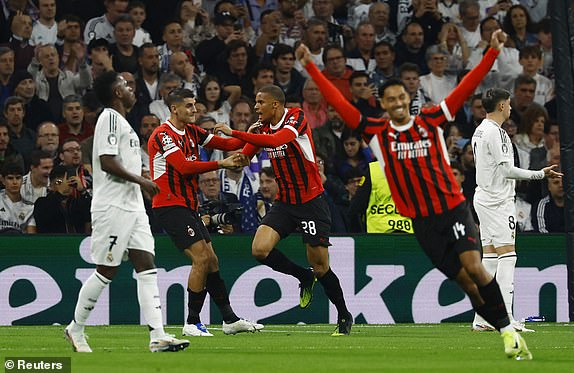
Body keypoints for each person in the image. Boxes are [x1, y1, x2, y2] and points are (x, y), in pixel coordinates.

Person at [297, 30, 533, 359]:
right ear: (383, 104)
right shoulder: (376, 132)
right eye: (390, 99)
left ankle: (507, 332)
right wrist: (311, 66)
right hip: (422, 223)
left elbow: (464, 90)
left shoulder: (432, 121)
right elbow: (339, 102)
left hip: (452, 211)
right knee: (465, 282)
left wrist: (492, 53)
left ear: (409, 99)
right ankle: (493, 322)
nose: (397, 103)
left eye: (401, 98)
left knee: (475, 267)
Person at [64, 71, 189, 353]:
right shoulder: (108, 117)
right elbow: (106, 162)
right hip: (113, 206)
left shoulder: (123, 122)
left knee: (147, 265)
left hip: (132, 206)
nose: (131, 88)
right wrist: (142, 181)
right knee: (107, 270)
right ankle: (75, 328)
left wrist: (140, 180)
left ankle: (157, 335)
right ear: (117, 93)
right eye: (125, 85)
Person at [214, 85, 353, 336]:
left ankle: (343, 315)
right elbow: (245, 156)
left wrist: (236, 132)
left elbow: (277, 140)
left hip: (311, 202)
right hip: (285, 203)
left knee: (321, 266)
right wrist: (225, 157)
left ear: (275, 105)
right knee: (259, 249)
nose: (255, 107)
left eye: (259, 102)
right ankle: (303, 276)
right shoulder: (260, 127)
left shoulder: (296, 117)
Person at [148, 88, 263, 337]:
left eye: (195, 105)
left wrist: (248, 135)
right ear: (174, 108)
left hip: (187, 205)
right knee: (201, 259)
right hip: (169, 204)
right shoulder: (163, 135)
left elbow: (229, 143)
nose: (194, 109)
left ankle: (229, 320)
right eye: (189, 106)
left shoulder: (193, 132)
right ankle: (192, 322)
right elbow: (184, 166)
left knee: (211, 260)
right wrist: (222, 163)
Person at [470, 88, 562, 333]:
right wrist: (539, 174)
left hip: (484, 197)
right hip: (497, 202)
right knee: (508, 257)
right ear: (501, 106)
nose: (511, 108)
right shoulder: (496, 133)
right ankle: (506, 318)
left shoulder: (479, 130)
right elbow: (507, 170)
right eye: (509, 104)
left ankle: (481, 318)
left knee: (489, 259)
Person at [33, 164, 91, 233]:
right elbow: (47, 219)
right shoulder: (42, 203)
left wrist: (82, 191)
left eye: (70, 180)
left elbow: (89, 214)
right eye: (60, 182)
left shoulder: (77, 203)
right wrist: (60, 190)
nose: (67, 184)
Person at [0, 161, 36, 234]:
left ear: (22, 179)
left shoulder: (30, 207)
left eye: (18, 178)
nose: (15, 182)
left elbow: (31, 237)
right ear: (3, 180)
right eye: (10, 178)